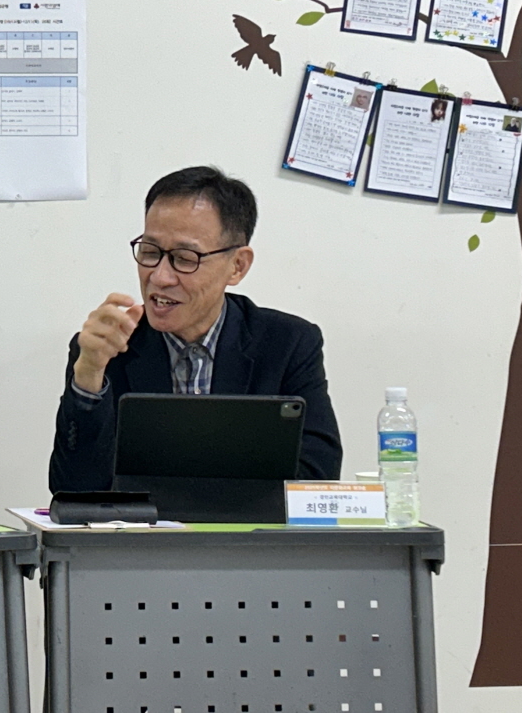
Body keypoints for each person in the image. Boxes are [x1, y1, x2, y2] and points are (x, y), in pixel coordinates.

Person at [49, 166, 341, 493]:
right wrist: (88, 376)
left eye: (185, 258)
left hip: (245, 529)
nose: (159, 277)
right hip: (144, 530)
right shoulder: (108, 347)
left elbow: (317, 479)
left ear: (237, 266)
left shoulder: (287, 343)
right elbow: (73, 489)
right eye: (150, 252)